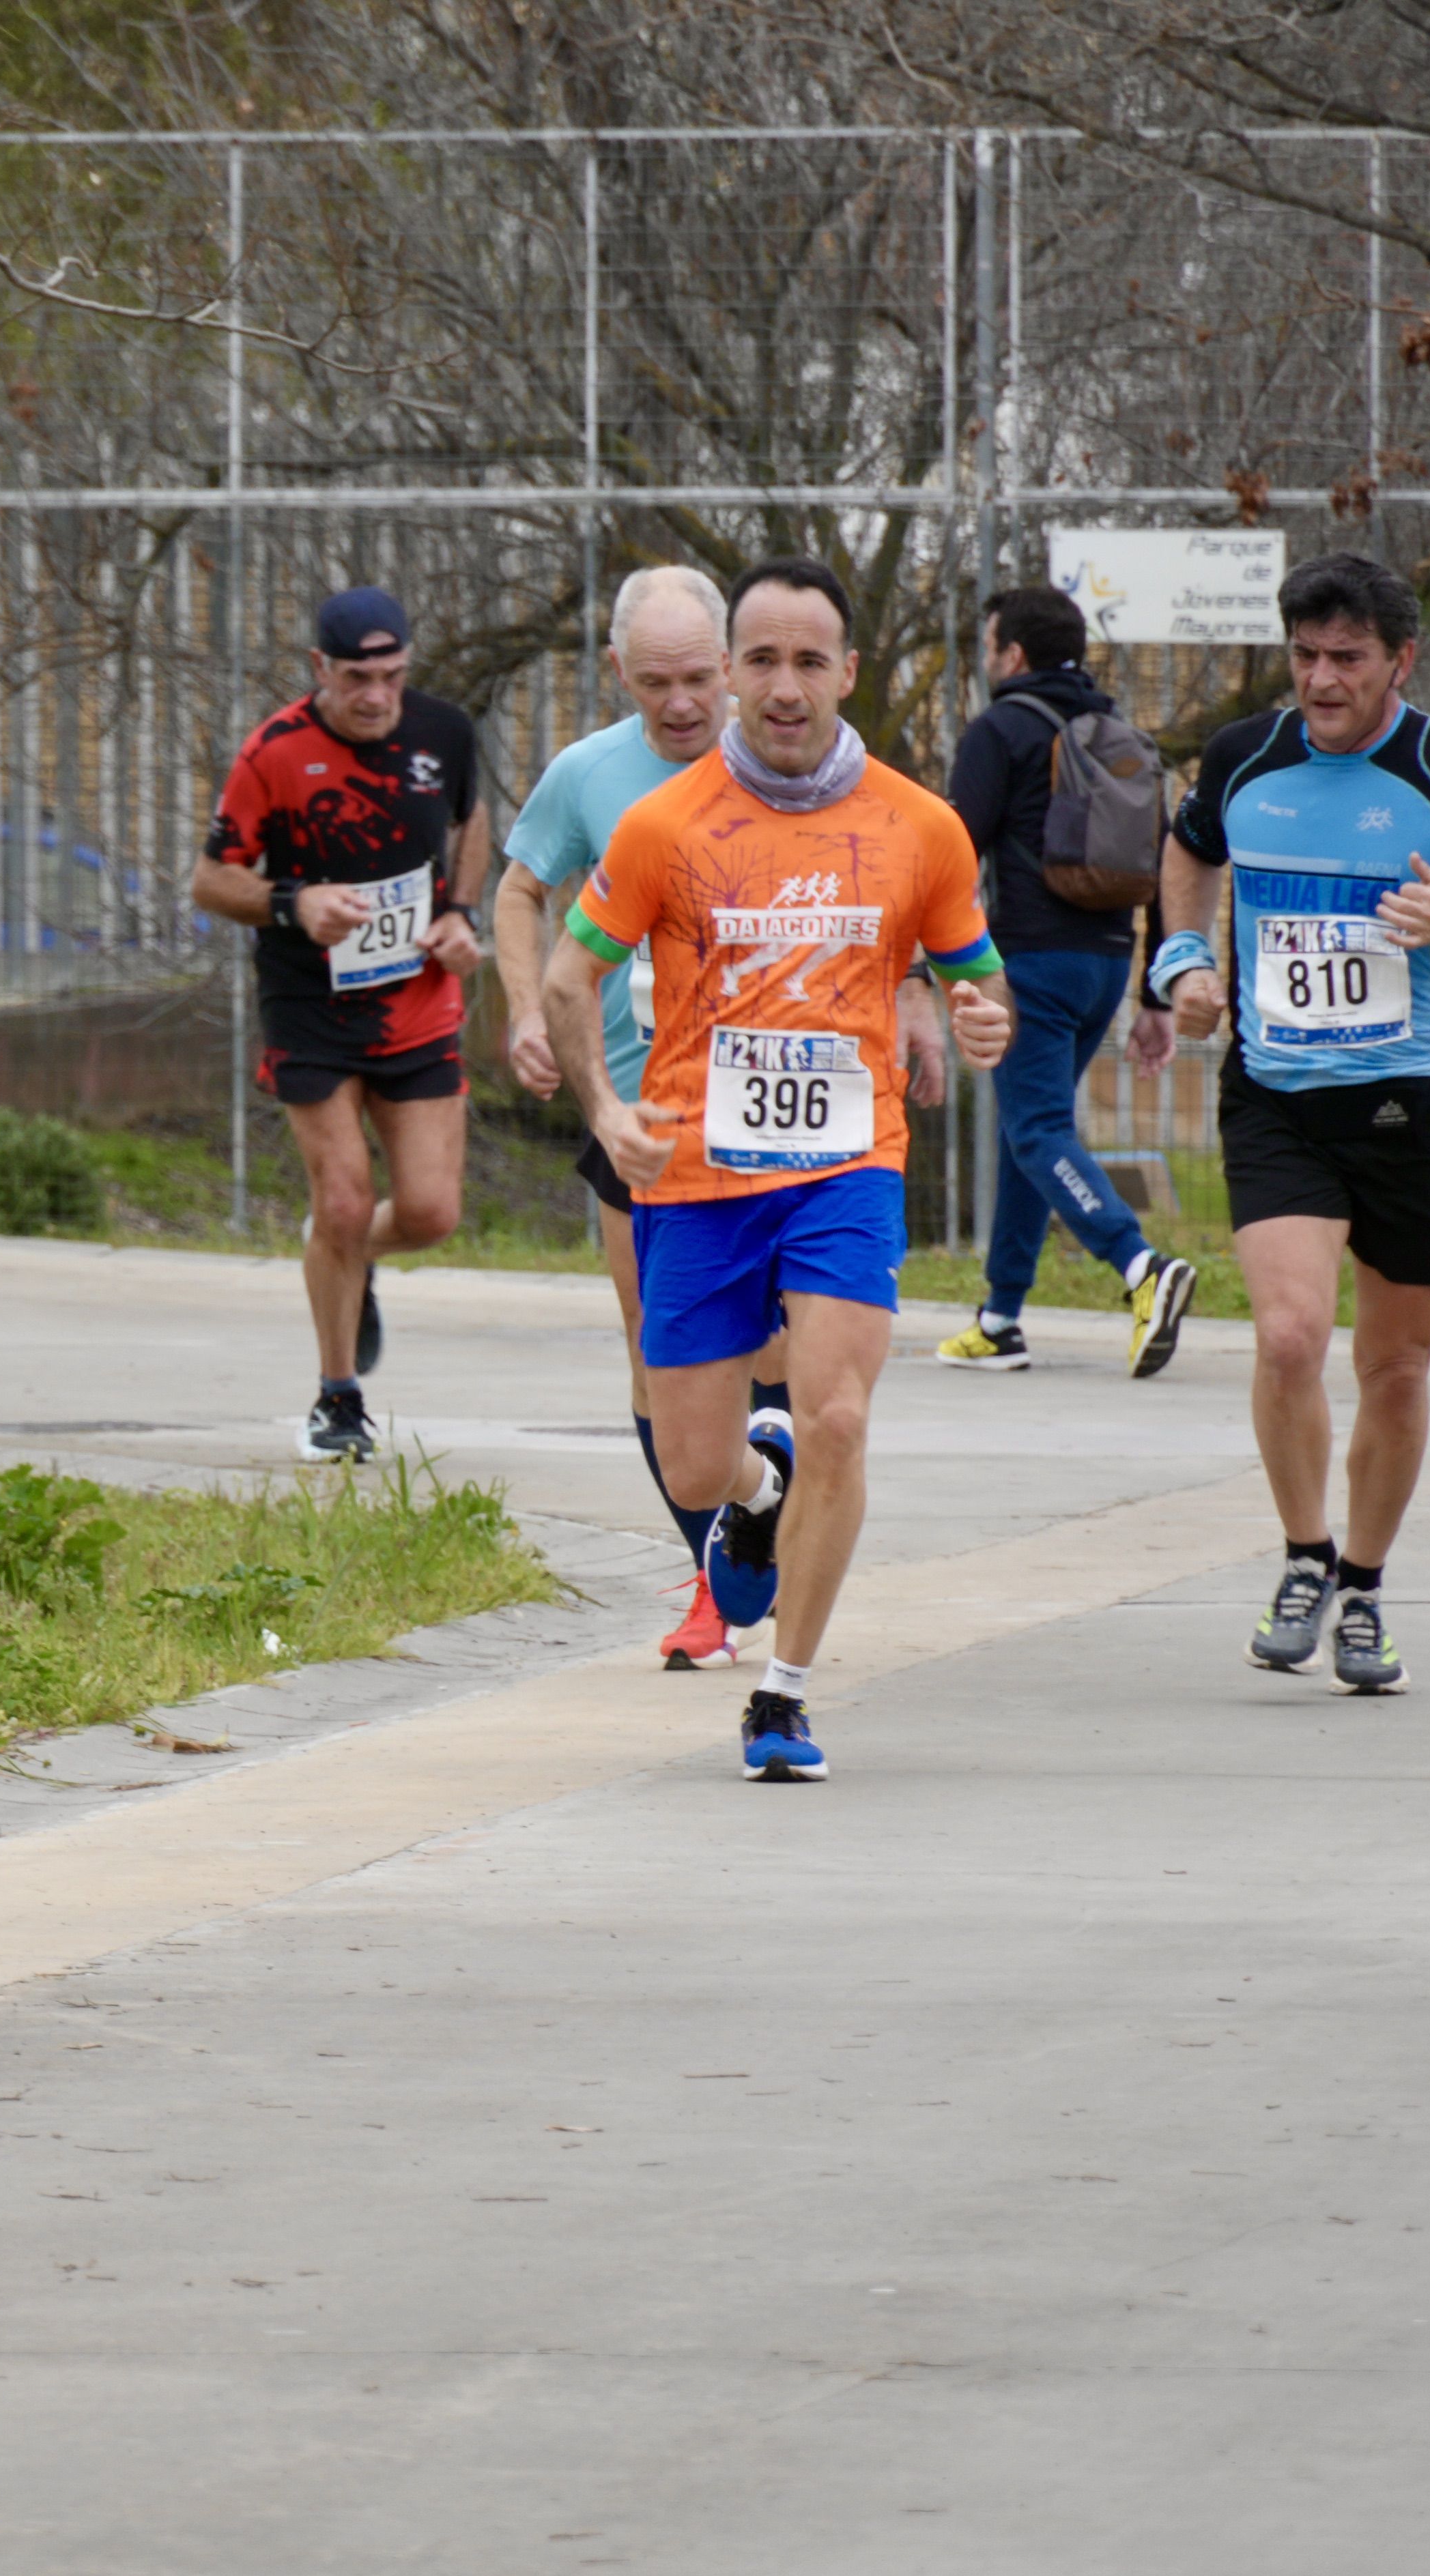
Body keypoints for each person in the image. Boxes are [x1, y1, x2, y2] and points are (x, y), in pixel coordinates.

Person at [547, 555, 1014, 1783]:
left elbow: (975, 973)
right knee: (696, 1459)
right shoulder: (663, 825)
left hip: (845, 1162)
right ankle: (757, 1494)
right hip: (696, 1170)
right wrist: (605, 1105)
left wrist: (981, 1020)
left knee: (842, 1413)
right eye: (761, 660)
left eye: (810, 660)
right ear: (731, 674)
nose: (785, 685)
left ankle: (784, 1692)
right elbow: (566, 976)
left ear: (848, 672)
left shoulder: (921, 826)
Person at [1155, 551, 1430, 1694]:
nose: (1322, 681)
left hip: (1415, 1101)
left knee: (1393, 1364)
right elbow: (1188, 849)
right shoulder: (1247, 755)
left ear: (1400, 659)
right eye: (1304, 658)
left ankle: (1364, 1588)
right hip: (1278, 1095)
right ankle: (1302, 1555)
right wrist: (1183, 959)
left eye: (1346, 659)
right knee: (1288, 1334)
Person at [500, 566, 799, 1672]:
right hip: (637, 1109)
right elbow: (519, 891)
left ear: (729, 665)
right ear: (615, 672)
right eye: (655, 683)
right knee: (654, 1352)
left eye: (697, 679)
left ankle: (774, 1520)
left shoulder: (792, 761)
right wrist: (527, 1005)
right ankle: (715, 1572)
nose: (680, 705)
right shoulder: (587, 776)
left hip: (774, 1105)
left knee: (775, 1347)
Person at [188, 584, 489, 1464]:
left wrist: (462, 912)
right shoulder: (274, 752)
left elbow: (473, 821)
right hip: (310, 1005)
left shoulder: (443, 733)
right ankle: (337, 1398)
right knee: (346, 1199)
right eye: (358, 677)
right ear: (321, 669)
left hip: (419, 998)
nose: (376, 696)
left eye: (392, 676)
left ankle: (347, 1259)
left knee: (431, 1211)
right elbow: (211, 879)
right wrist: (293, 900)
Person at [934, 583, 1201, 1376]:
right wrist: (1153, 995)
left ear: (1011, 654)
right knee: (1032, 1131)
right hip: (1106, 964)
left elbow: (952, 854)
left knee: (1038, 1131)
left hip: (1029, 965)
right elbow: (1160, 868)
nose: (988, 662)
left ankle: (1140, 1267)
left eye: (990, 648)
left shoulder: (1002, 730)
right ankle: (999, 1318)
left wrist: (933, 962)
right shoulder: (1121, 734)